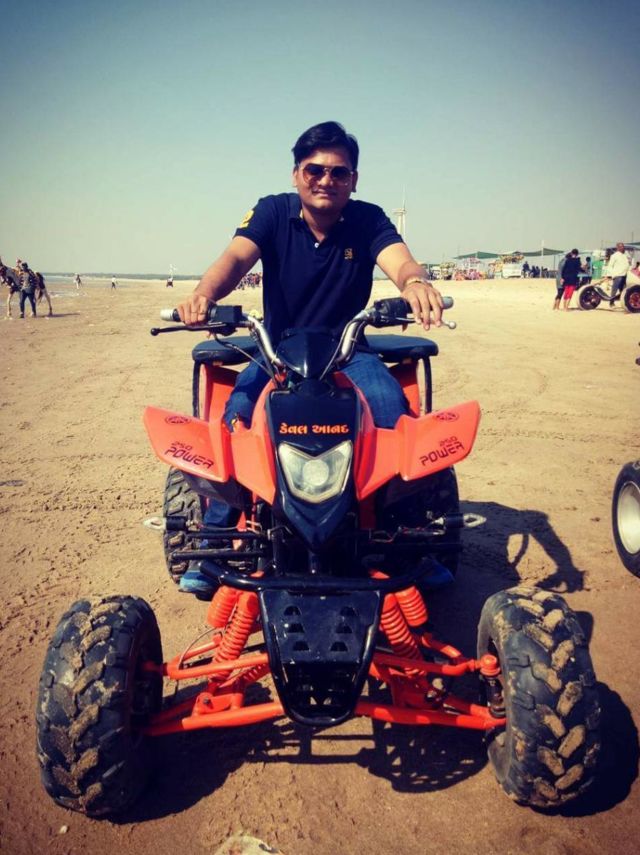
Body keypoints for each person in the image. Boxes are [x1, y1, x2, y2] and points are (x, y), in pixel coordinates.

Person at [176, 120, 444, 595]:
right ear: (296, 173)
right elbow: (234, 259)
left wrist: (415, 283)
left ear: (353, 180)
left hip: (348, 349)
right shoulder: (272, 212)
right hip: (277, 349)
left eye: (339, 172)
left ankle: (407, 539)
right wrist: (204, 294)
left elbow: (400, 260)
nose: (326, 180)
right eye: (314, 170)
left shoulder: (368, 219)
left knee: (393, 413)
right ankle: (214, 539)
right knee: (237, 417)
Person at [606, 242, 630, 307]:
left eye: (623, 246)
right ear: (618, 248)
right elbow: (610, 266)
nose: (623, 247)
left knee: (623, 291)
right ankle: (611, 303)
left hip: (624, 275)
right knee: (614, 289)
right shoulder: (614, 256)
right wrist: (612, 274)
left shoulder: (625, 255)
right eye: (621, 246)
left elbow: (627, 264)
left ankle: (624, 304)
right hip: (617, 275)